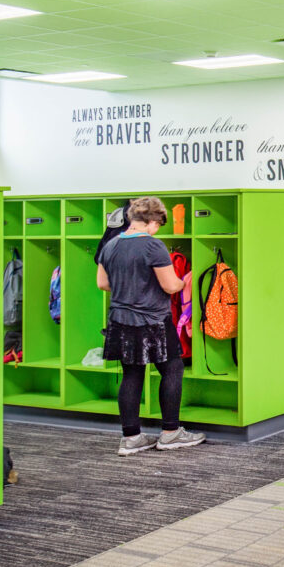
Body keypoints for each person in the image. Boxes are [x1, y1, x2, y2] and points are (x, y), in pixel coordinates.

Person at [96, 196, 205, 457]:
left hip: (120, 320)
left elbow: (103, 283)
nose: (158, 229)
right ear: (152, 220)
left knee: (132, 374)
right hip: (153, 319)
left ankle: (131, 437)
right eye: (158, 224)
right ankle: (170, 432)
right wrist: (185, 280)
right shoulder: (153, 246)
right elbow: (170, 286)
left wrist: (129, 287)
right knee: (173, 369)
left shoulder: (110, 245)